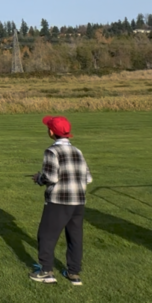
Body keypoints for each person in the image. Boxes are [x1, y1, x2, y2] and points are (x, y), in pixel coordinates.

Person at [29, 115, 92, 286]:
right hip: (78, 201)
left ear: (51, 132)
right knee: (75, 236)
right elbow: (87, 178)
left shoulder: (52, 151)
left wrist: (39, 178)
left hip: (58, 200)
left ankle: (45, 271)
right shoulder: (77, 151)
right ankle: (74, 273)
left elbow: (51, 177)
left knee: (46, 235)